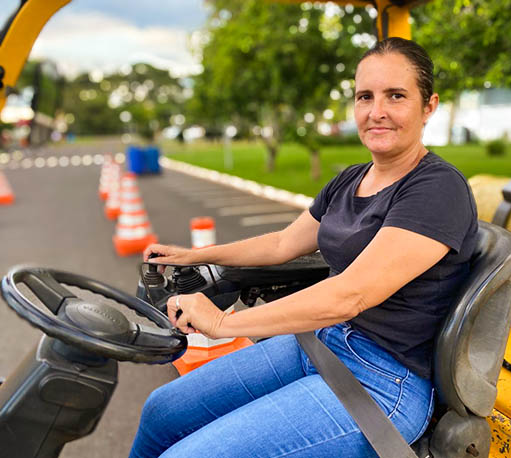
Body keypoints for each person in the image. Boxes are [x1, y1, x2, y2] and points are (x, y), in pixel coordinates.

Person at [129, 37, 478, 458]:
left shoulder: (437, 189)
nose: (376, 111)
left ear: (429, 106)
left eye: (396, 96)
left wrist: (222, 324)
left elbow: (350, 295)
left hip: (382, 382)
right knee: (161, 412)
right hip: (319, 343)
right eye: (365, 96)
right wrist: (195, 255)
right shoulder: (351, 179)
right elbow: (282, 243)